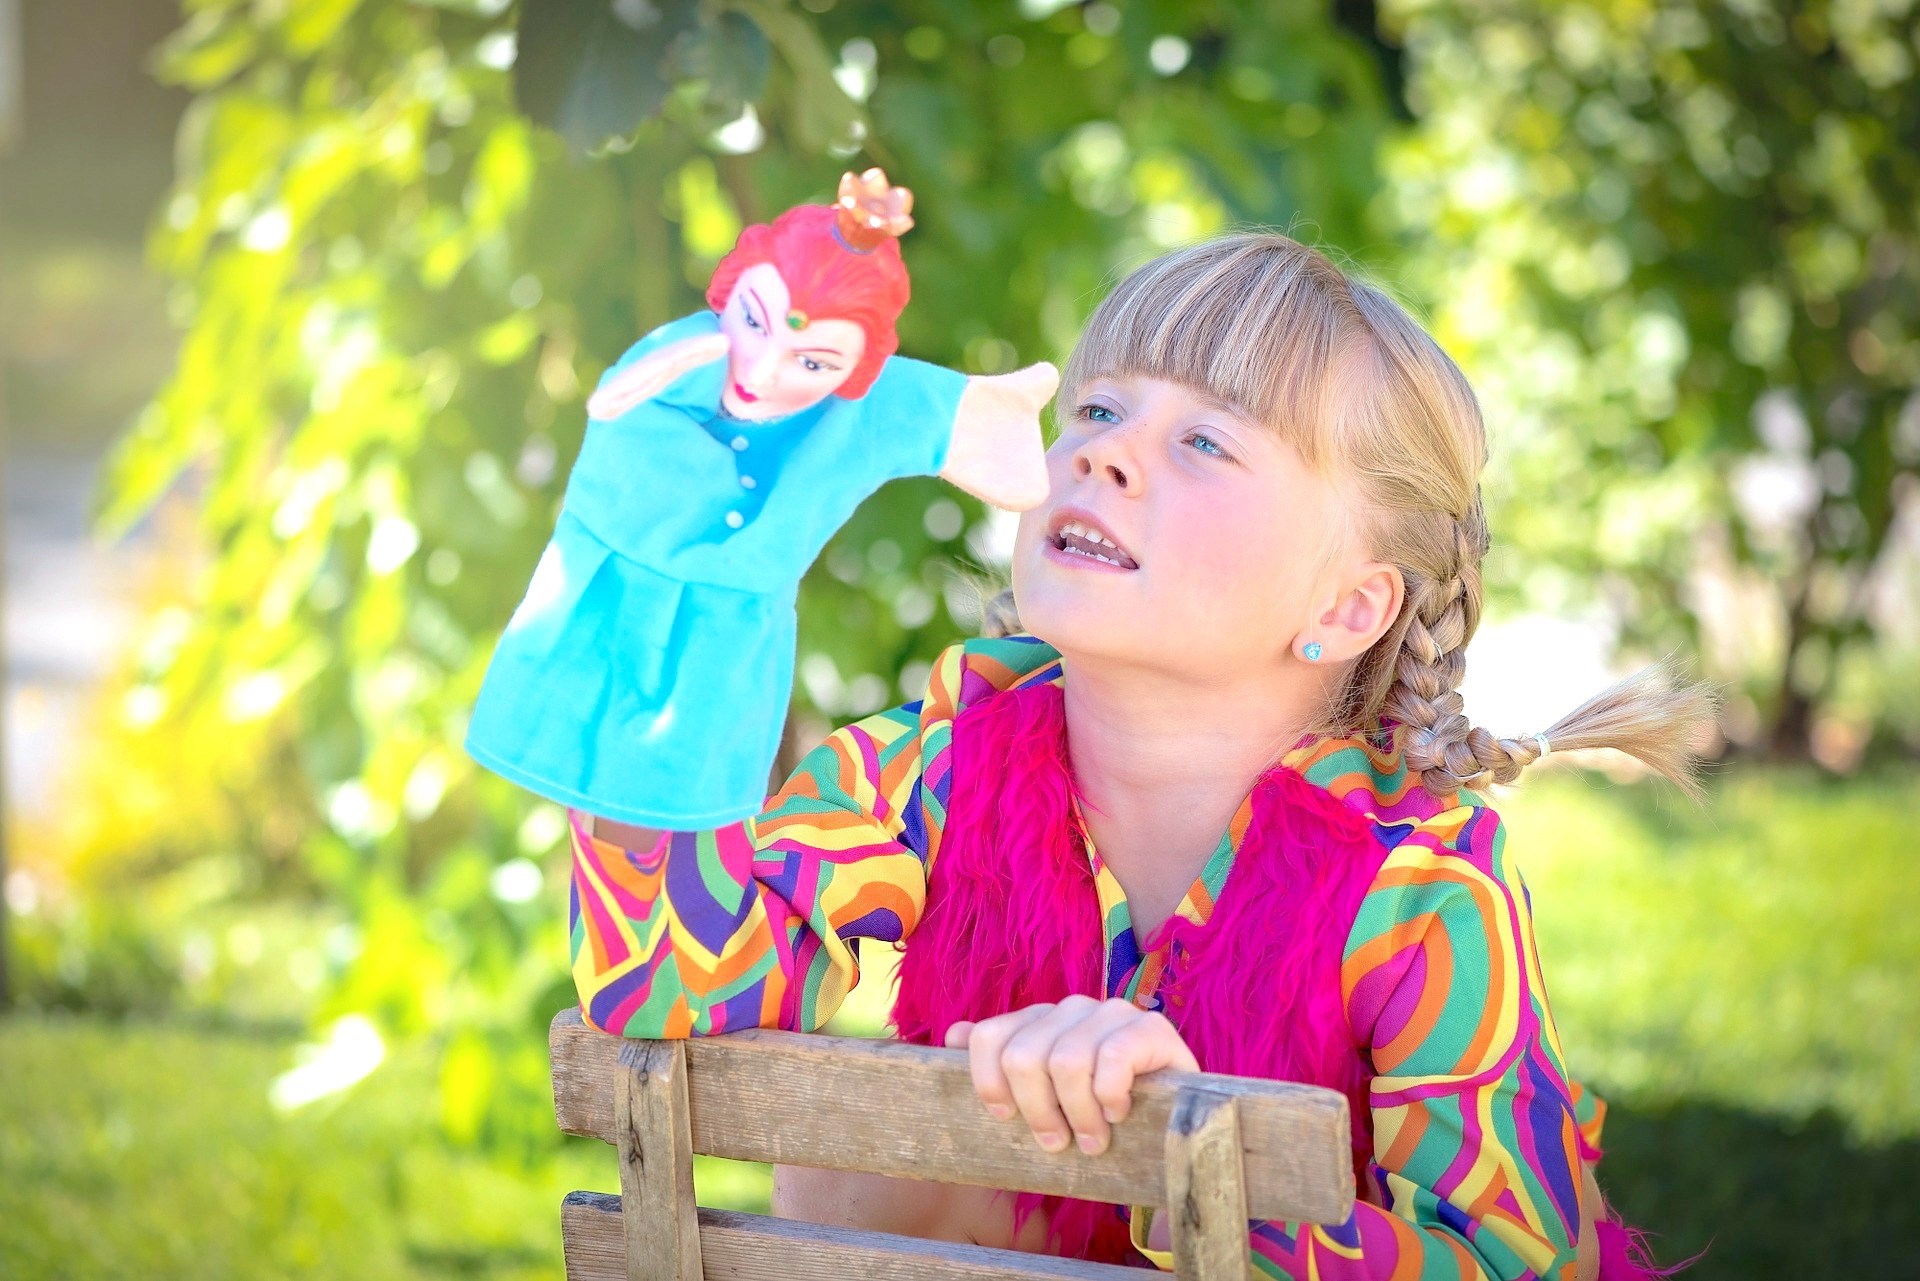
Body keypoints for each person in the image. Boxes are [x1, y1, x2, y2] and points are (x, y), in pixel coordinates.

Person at [568, 232, 1713, 1278]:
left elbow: (1517, 1262)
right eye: (1099, 409)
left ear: (1350, 605)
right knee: (861, 1180)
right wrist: (653, 672)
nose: (1105, 458)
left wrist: (1186, 1153)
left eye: (1206, 441)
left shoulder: (1419, 889)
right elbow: (675, 992)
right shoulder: (941, 761)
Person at [465, 169, 1052, 831]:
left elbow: (961, 420)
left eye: (813, 362)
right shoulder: (680, 364)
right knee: (589, 782)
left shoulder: (861, 411)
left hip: (730, 633)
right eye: (754, 321)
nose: (765, 368)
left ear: (854, 372)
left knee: (683, 821)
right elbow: (616, 397)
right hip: (610, 593)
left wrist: (1012, 428)